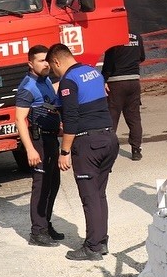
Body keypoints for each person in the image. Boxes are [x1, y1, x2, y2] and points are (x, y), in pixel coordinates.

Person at [49, 42, 119, 261]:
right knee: (99, 194)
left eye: (53, 69)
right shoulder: (93, 72)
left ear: (56, 62)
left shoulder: (68, 81)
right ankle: (101, 241)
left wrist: (65, 151)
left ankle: (92, 248)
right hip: (109, 138)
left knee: (90, 198)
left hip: (88, 144)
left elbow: (71, 119)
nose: (54, 73)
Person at [14, 45, 65, 247]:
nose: (46, 64)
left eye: (47, 60)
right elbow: (20, 120)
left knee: (53, 184)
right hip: (39, 142)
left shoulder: (44, 81)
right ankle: (37, 232)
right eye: (41, 60)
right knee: (41, 186)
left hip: (51, 139)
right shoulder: (27, 87)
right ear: (30, 64)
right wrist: (30, 149)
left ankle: (46, 224)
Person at [101, 32, 146, 161]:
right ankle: (136, 150)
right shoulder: (137, 37)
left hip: (116, 82)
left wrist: (103, 80)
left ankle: (108, 152)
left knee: (112, 117)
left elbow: (109, 62)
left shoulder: (114, 37)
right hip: (133, 81)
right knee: (134, 118)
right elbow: (142, 57)